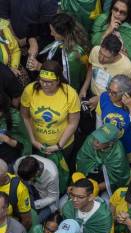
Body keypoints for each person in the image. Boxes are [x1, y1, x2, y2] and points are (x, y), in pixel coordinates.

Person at [19, 60, 80, 190]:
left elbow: (73, 123)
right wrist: (33, 140)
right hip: (38, 144)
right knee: (38, 172)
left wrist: (59, 145)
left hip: (63, 145)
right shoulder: (30, 90)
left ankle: (60, 191)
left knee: (60, 172)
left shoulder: (70, 94)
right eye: (42, 80)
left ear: (58, 80)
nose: (45, 85)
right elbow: (25, 116)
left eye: (49, 82)